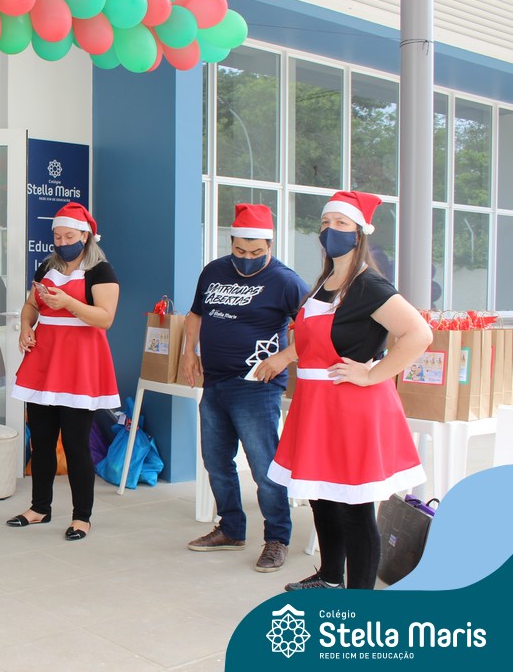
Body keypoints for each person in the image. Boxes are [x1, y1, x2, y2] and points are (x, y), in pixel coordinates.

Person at [265, 190, 431, 590]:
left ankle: (359, 600)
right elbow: (310, 341)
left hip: (349, 407)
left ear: (359, 234)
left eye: (341, 223)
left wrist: (373, 375)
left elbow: (419, 334)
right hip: (316, 405)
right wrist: (285, 357)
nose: (330, 230)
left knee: (353, 506)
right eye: (326, 223)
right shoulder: (325, 282)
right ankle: (329, 578)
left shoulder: (368, 285)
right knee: (322, 496)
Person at [181, 204, 309, 572]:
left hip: (257, 387)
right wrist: (189, 352)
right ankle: (231, 529)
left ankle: (277, 539)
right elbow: (195, 314)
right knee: (216, 462)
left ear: (270, 245)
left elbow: (315, 329)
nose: (247, 258)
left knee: (264, 467)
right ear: (231, 242)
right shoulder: (214, 271)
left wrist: (284, 358)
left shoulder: (286, 281)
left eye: (256, 252)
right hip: (215, 382)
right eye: (240, 250)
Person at [8, 202, 119, 541]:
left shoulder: (101, 271)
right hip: (43, 362)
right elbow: (31, 305)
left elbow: (105, 318)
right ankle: (39, 507)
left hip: (79, 366)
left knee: (75, 444)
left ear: (85, 236)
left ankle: (81, 516)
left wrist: (68, 303)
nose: (62, 242)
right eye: (57, 236)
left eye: (69, 236)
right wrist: (26, 327)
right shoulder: (47, 267)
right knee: (41, 441)